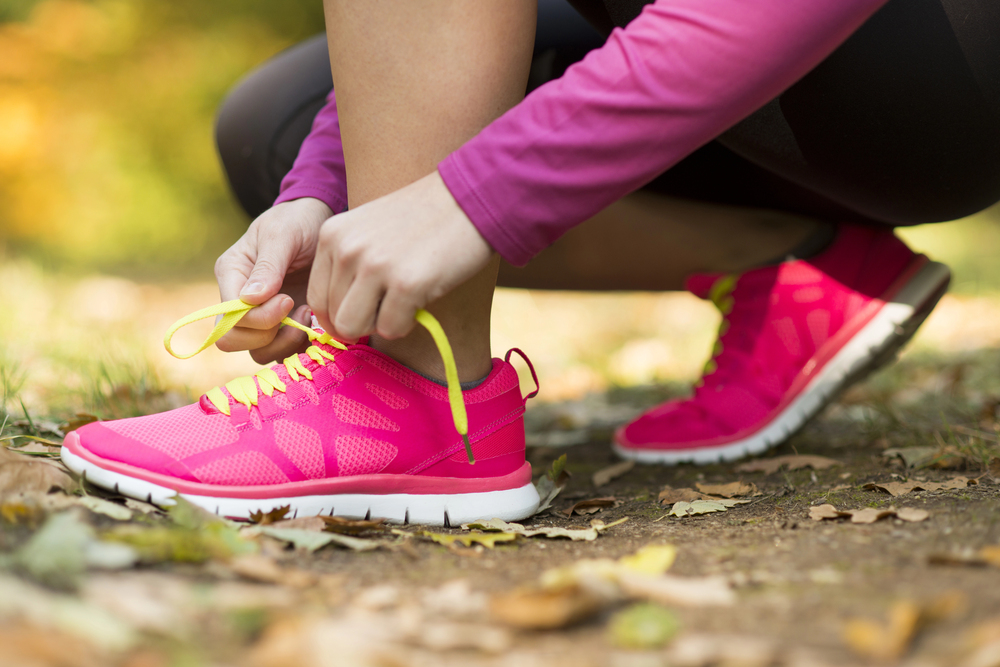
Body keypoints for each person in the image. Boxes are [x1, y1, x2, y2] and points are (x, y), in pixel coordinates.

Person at [61, 0, 1000, 522]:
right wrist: (326, 189)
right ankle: (801, 267)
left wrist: (473, 196)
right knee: (274, 130)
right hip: (800, 114)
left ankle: (408, 394)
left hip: (943, 70)